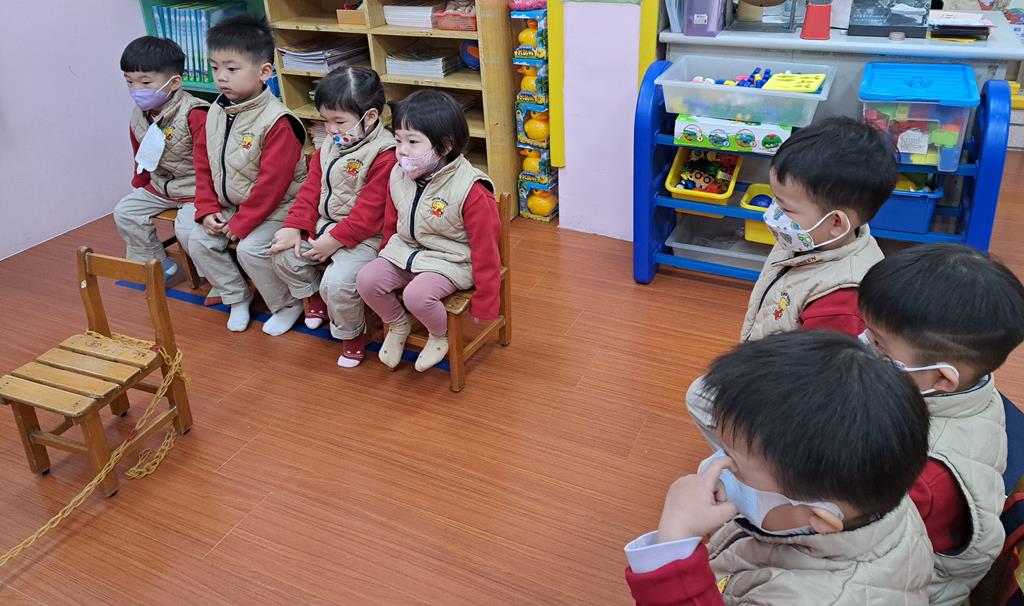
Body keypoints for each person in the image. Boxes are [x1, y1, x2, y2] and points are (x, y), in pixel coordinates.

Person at [625, 331, 933, 605]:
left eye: (734, 464)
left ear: (819, 517)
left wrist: (674, 541)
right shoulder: (872, 497)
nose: (713, 467)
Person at [686, 116, 898, 448]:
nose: (772, 215)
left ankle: (762, 471)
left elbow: (824, 388)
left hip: (800, 404)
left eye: (784, 208)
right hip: (777, 369)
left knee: (701, 398)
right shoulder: (812, 240)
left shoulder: (843, 298)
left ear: (837, 222)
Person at [859, 243, 1024, 605]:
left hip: (909, 589)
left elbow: (849, 537)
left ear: (942, 378)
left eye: (879, 345)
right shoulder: (968, 387)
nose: (863, 346)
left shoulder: (924, 476)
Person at [356, 90, 501, 372]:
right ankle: (397, 323)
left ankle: (439, 335)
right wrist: (385, 253)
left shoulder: (471, 189)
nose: (402, 150)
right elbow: (392, 221)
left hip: (450, 260)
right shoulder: (399, 173)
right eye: (398, 140)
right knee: (366, 279)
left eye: (412, 142)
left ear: (444, 146)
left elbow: (486, 249)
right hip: (406, 251)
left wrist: (486, 300)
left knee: (417, 296)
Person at [187, 14, 308, 334]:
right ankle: (236, 297)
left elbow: (272, 186)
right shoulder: (215, 110)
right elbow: (203, 164)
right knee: (197, 239)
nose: (221, 77)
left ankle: (286, 304)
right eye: (215, 67)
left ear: (264, 71)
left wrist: (241, 223)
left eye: (232, 69)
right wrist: (207, 208)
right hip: (233, 205)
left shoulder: (278, 121)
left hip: (278, 208)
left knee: (250, 249)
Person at [270, 67, 397, 367]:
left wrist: (333, 241)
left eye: (339, 121)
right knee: (282, 253)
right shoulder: (330, 144)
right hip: (325, 226)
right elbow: (310, 189)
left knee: (338, 283)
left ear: (370, 117)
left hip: (366, 238)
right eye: (325, 120)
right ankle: (314, 295)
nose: (330, 129)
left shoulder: (385, 154)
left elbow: (369, 215)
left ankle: (352, 334)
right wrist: (293, 226)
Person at [114, 36, 210, 282]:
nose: (136, 89)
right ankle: (158, 265)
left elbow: (208, 163)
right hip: (160, 187)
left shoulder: (195, 113)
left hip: (195, 190)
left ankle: (213, 277)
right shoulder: (139, 115)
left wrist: (209, 200)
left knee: (188, 230)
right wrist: (139, 184)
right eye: (129, 82)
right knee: (125, 212)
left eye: (145, 82)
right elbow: (140, 154)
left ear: (174, 82)